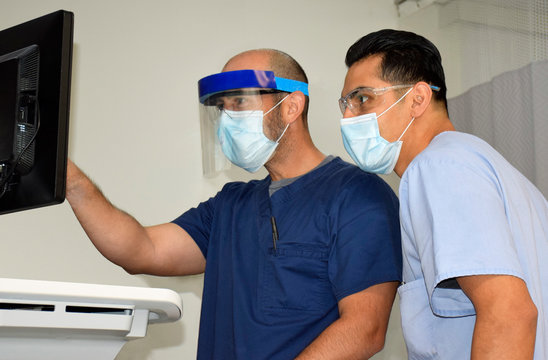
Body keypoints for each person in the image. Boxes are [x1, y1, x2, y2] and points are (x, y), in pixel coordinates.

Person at [67, 48, 403, 359]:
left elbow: (365, 330)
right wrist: (72, 183)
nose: (227, 117)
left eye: (239, 102)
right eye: (222, 107)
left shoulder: (358, 195)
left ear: (291, 106)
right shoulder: (231, 205)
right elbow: (140, 250)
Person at [338, 29, 548, 359]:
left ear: (418, 99)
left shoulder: (438, 166)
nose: (347, 117)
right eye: (345, 104)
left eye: (362, 99)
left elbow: (509, 313)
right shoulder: (481, 162)